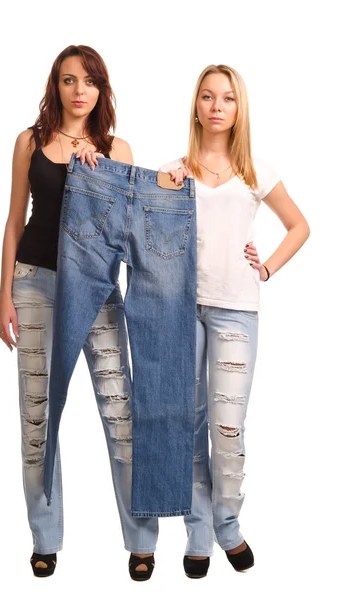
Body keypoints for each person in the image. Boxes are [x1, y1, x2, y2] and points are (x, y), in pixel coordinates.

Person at [0, 44, 155, 578]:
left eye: (88, 81)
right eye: (68, 81)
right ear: (56, 87)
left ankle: (141, 539)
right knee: (37, 417)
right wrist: (3, 297)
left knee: (121, 412)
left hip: (97, 290)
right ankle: (45, 538)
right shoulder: (30, 142)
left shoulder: (118, 149)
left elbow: (128, 234)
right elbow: (14, 221)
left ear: (101, 88)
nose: (79, 90)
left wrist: (100, 176)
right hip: (34, 283)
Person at [158, 63, 310, 578]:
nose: (217, 105)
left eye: (227, 98)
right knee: (189, 423)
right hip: (180, 307)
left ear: (238, 108)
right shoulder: (175, 168)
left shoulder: (254, 170)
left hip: (236, 310)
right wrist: (166, 188)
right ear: (196, 107)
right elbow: (146, 233)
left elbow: (299, 226)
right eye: (207, 97)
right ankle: (198, 530)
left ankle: (229, 523)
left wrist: (265, 266)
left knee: (228, 427)